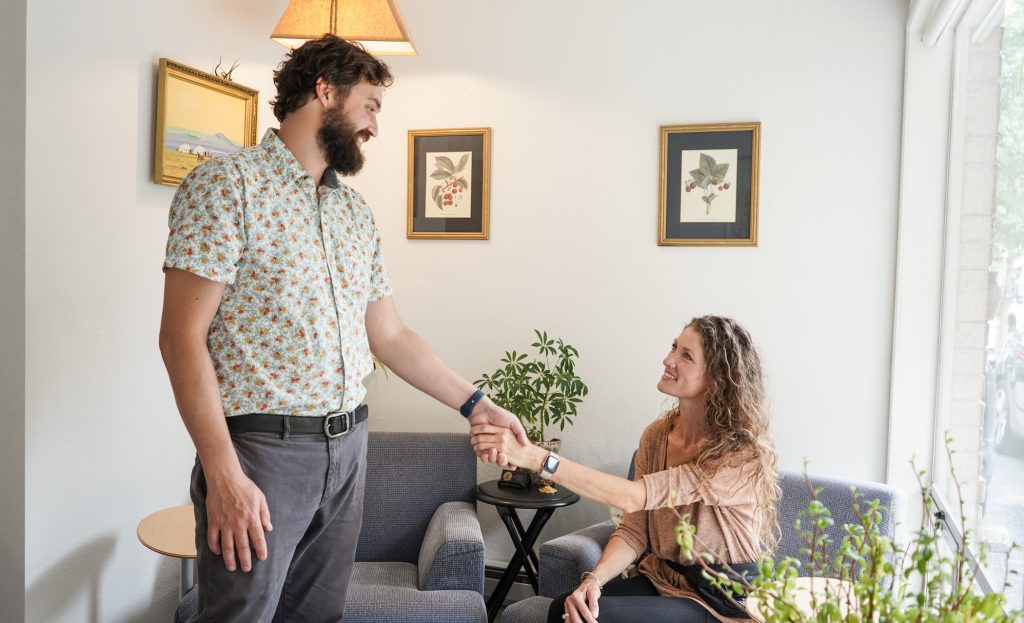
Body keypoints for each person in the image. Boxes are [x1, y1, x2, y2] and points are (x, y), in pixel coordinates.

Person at [158, 35, 525, 622]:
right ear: (324, 91)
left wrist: (476, 404)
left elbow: (391, 336)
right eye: (371, 106)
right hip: (263, 453)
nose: (376, 126)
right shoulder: (227, 185)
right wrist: (223, 472)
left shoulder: (355, 212)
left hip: (351, 449)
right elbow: (181, 340)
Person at [472, 315, 779, 623]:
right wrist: (593, 580)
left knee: (599, 619)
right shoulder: (657, 437)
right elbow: (634, 530)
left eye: (686, 356)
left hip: (723, 598)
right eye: (674, 347)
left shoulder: (739, 453)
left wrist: (538, 458)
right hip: (663, 580)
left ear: (717, 379)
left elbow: (633, 497)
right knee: (565, 609)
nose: (668, 359)